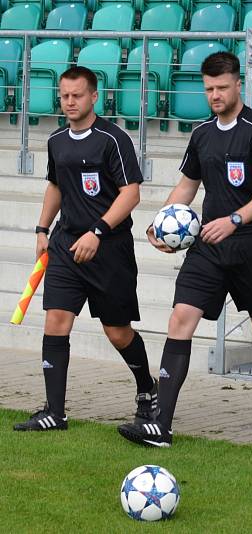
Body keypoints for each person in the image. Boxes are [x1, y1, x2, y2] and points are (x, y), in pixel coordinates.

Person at [117, 52, 252, 447]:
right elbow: (187, 185)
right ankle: (161, 425)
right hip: (207, 245)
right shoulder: (202, 133)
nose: (215, 95)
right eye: (208, 89)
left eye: (221, 87)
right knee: (180, 317)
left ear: (238, 84)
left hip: (251, 244)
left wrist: (236, 219)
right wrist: (161, 223)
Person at [13, 66, 157, 432]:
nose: (70, 102)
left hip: (109, 248)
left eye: (77, 95)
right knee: (56, 322)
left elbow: (131, 193)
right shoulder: (57, 140)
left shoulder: (113, 139)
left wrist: (97, 231)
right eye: (64, 96)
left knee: (117, 331)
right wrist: (42, 229)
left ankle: (147, 390)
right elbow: (55, 185)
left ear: (94, 96)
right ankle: (55, 412)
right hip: (65, 245)